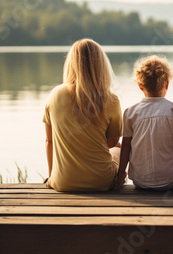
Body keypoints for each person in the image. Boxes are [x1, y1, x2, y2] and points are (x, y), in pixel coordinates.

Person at [42, 39, 122, 191]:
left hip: (62, 183)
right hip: (102, 183)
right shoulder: (111, 99)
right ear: (101, 65)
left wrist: (52, 176)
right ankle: (119, 177)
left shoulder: (55, 94)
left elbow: (49, 141)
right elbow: (111, 143)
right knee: (119, 148)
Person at [115, 55, 173, 191]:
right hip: (169, 181)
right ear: (167, 84)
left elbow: (126, 145)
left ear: (140, 86)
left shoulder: (130, 112)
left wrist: (121, 173)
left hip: (140, 181)